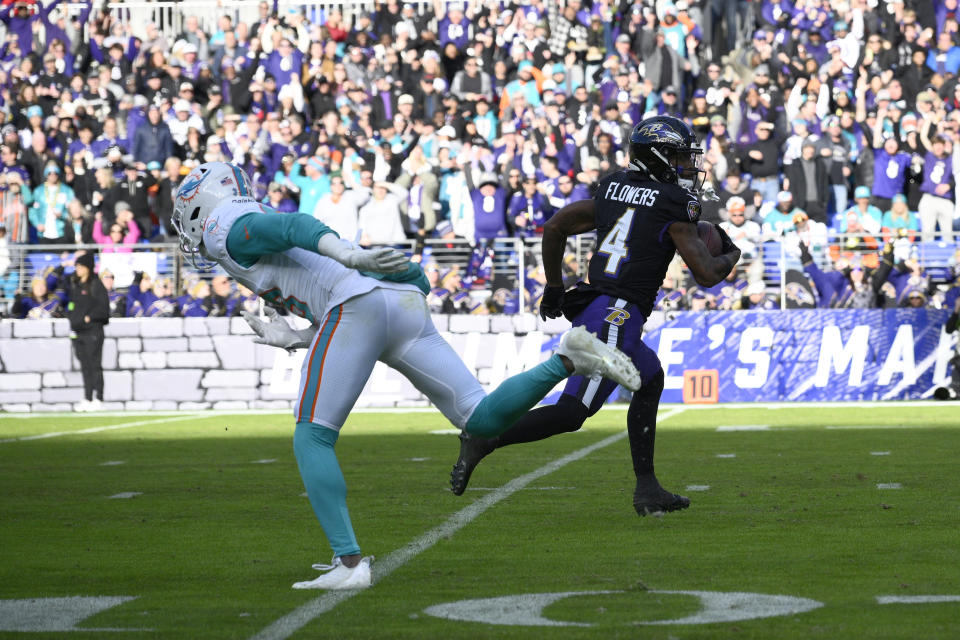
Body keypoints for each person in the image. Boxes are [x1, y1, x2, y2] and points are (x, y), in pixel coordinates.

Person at [171, 161, 641, 591]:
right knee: (479, 420)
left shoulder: (227, 230)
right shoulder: (246, 230)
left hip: (358, 302)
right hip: (396, 301)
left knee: (311, 437)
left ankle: (349, 563)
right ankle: (566, 359)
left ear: (200, 205)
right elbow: (324, 291)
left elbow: (297, 226)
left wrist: (352, 255)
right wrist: (295, 337)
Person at [450, 116, 742, 515]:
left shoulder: (612, 187)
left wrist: (554, 286)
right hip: (618, 313)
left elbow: (554, 227)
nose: (687, 166)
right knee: (573, 413)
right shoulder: (675, 204)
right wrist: (731, 254)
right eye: (679, 157)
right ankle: (486, 439)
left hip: (601, 305)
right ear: (658, 156)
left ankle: (648, 487)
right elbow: (707, 274)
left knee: (649, 377)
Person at [65, 251, 109, 412]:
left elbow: (103, 309)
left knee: (95, 365)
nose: (77, 269)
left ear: (88, 268)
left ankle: (99, 397)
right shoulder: (77, 285)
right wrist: (71, 316)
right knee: (85, 366)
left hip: (93, 332)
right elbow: (71, 305)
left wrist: (89, 318)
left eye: (80, 266)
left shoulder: (96, 285)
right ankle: (88, 397)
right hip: (78, 332)